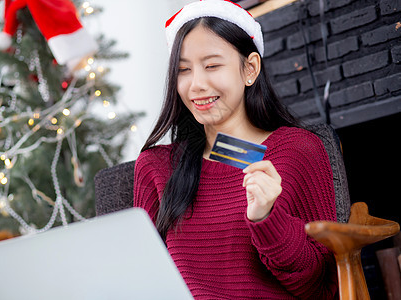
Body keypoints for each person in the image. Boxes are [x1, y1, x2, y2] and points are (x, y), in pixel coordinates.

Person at [133, 0, 338, 299]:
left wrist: (266, 218)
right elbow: (142, 280)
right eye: (183, 70)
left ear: (250, 69)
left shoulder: (298, 150)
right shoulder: (156, 166)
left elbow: (320, 288)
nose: (196, 84)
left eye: (212, 65)